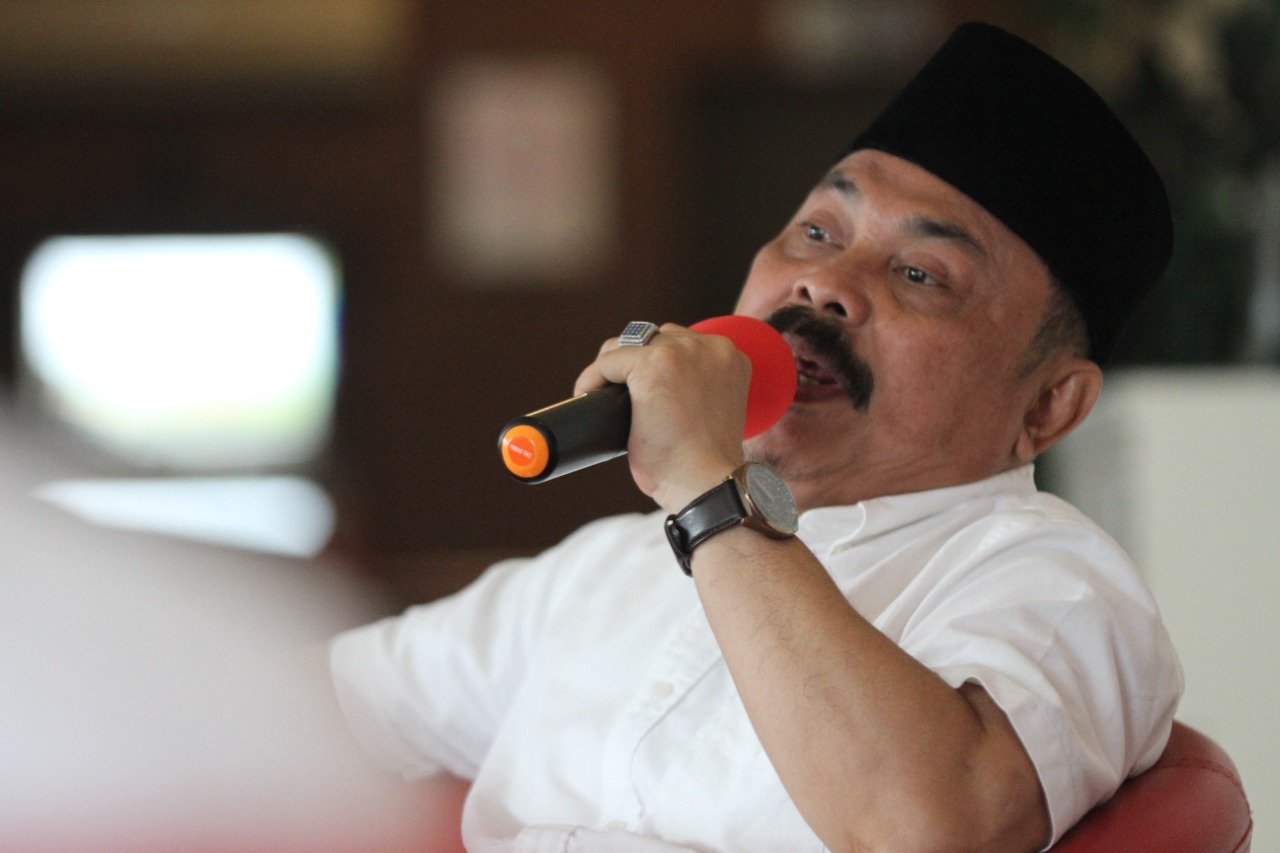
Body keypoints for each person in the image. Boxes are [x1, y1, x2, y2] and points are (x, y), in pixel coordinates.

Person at [328, 22, 1182, 852]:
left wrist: (707, 491)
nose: (826, 283)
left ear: (1048, 407)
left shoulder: (1058, 584)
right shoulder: (607, 569)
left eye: (921, 274)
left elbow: (923, 829)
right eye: (818, 232)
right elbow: (316, 705)